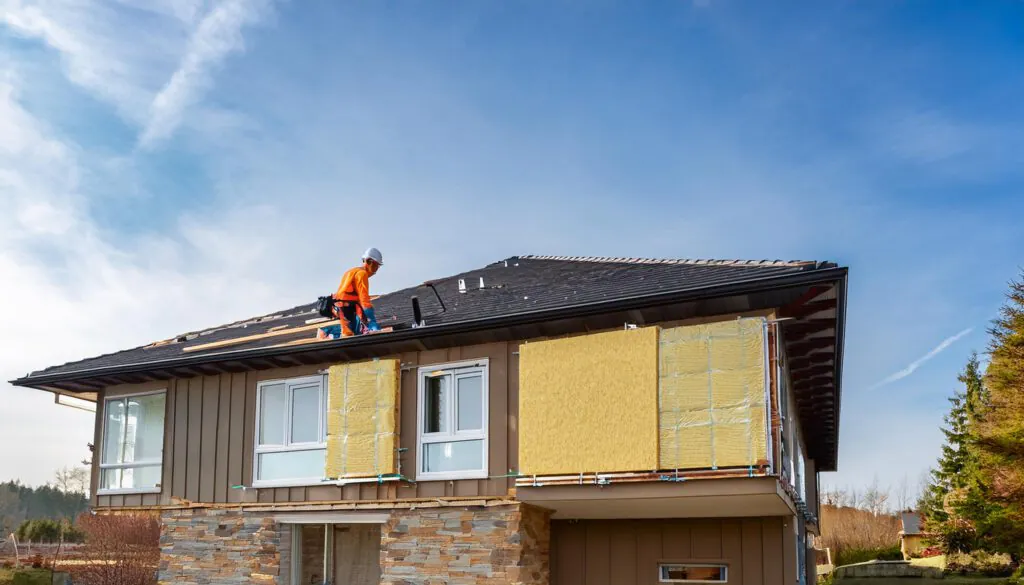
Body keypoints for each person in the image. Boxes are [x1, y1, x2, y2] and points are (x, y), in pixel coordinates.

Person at [332, 247, 383, 336]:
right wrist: (372, 320)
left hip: (341, 309)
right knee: (357, 332)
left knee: (348, 335)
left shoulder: (351, 272)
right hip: (348, 310)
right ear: (369, 262)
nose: (376, 270)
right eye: (375, 266)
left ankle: (329, 333)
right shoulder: (362, 274)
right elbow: (364, 299)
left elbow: (351, 295)